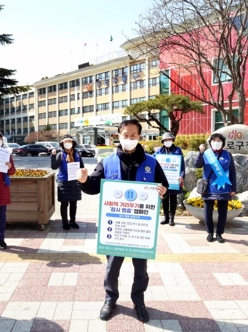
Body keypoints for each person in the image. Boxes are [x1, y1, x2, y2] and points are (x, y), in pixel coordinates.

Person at [76, 119, 169, 323]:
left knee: (141, 269)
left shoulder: (151, 162)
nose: (129, 139)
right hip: (116, 226)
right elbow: (93, 187)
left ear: (139, 137)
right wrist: (83, 181)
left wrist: (163, 191)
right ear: (118, 136)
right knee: (112, 267)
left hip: (139, 228)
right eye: (125, 135)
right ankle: (110, 299)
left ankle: (138, 300)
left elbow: (164, 185)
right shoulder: (107, 162)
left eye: (133, 135)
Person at [194, 133, 236, 243]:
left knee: (223, 212)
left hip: (224, 187)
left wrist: (233, 188)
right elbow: (197, 165)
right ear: (210, 142)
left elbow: (232, 172)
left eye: (219, 140)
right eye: (213, 141)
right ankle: (209, 232)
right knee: (208, 212)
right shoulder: (206, 154)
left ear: (223, 142)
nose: (216, 143)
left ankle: (219, 234)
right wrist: (200, 152)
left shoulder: (227, 154)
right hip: (209, 187)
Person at [51, 134, 84, 230]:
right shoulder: (60, 154)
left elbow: (81, 166)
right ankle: (65, 223)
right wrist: (53, 156)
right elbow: (54, 167)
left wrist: (82, 174)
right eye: (66, 142)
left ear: (73, 143)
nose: (68, 143)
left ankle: (73, 221)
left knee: (74, 203)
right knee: (64, 204)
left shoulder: (77, 154)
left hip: (75, 182)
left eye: (69, 141)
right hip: (64, 182)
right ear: (62, 144)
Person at [154, 132, 185, 226]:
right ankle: (166, 217)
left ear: (172, 140)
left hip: (174, 179)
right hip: (164, 179)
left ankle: (172, 218)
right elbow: (152, 160)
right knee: (164, 197)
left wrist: (182, 175)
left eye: (169, 139)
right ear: (163, 141)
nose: (168, 141)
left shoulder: (177, 150)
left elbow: (182, 165)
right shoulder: (159, 152)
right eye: (166, 140)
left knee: (173, 198)